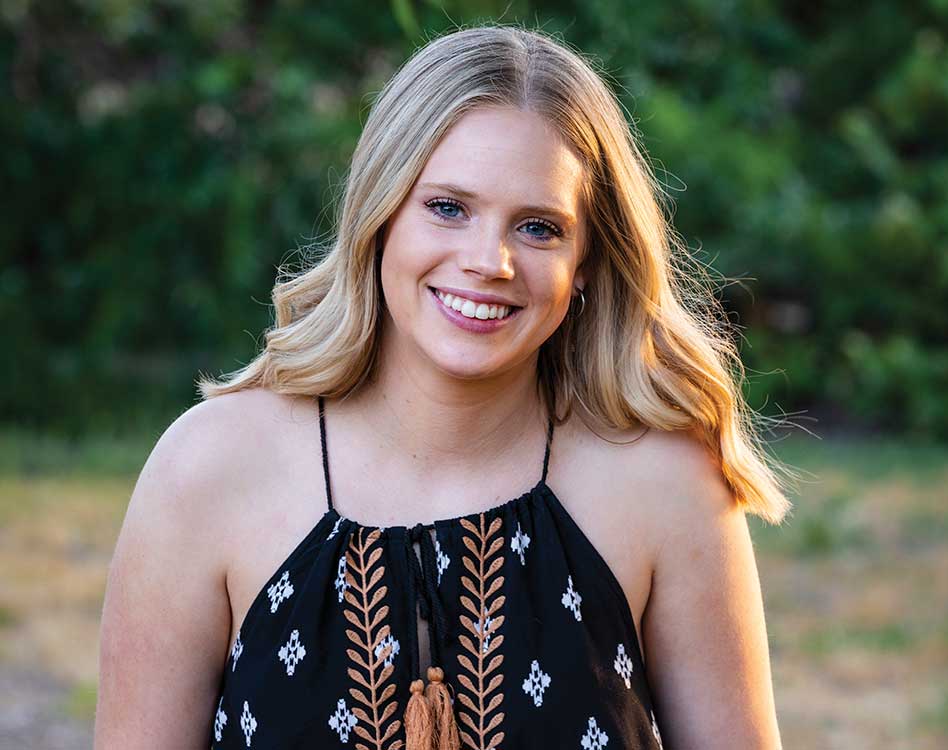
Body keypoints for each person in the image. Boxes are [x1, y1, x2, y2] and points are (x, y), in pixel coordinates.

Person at [95, 23, 792, 749]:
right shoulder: (207, 469)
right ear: (381, 213)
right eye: (448, 207)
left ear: (586, 261)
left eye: (539, 228)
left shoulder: (666, 485)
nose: (488, 261)